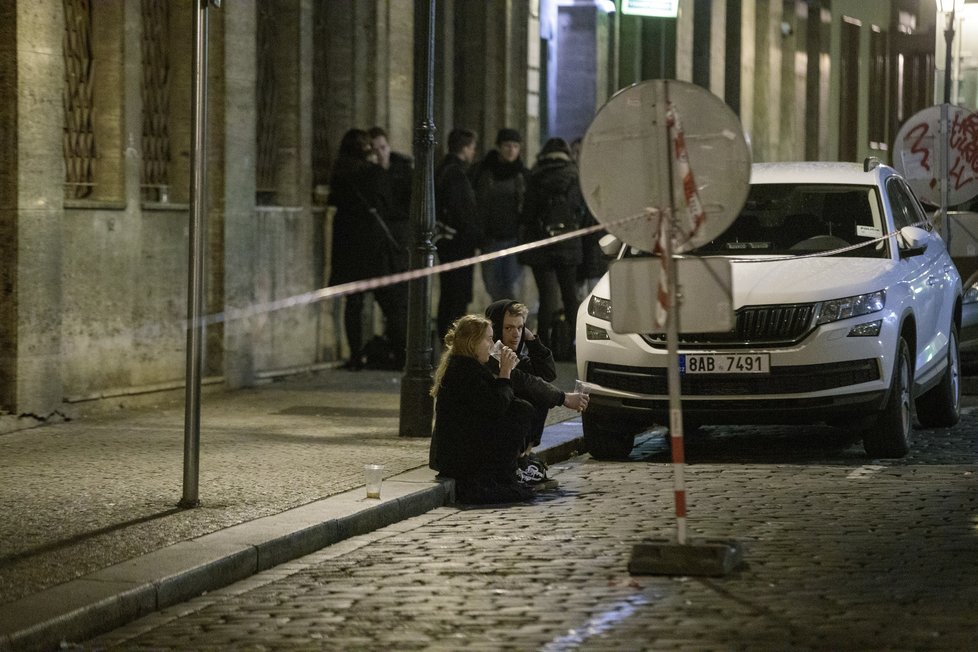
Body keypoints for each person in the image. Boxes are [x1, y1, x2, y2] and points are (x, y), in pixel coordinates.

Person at [428, 314, 536, 504]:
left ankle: (505, 475)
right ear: (472, 342)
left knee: (521, 407)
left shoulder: (468, 367)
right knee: (520, 411)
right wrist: (505, 374)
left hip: (464, 450)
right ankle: (502, 476)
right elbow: (496, 406)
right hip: (461, 458)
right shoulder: (464, 371)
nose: (493, 344)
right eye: (488, 339)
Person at [327, 128, 407, 370]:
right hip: (375, 249)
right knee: (391, 303)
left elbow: (333, 202)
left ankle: (355, 357)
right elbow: (388, 205)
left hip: (348, 250)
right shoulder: (375, 174)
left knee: (354, 304)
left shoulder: (340, 174)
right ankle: (401, 355)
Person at [484, 299, 589, 483]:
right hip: (487, 434)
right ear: (496, 328)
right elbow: (526, 382)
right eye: (508, 328)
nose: (515, 334)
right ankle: (515, 460)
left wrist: (531, 339)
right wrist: (564, 398)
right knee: (531, 398)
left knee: (540, 394)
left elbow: (547, 374)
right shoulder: (491, 354)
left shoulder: (515, 353)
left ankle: (523, 456)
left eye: (519, 327)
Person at [519, 137, 586, 359]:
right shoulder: (574, 174)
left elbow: (527, 212)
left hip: (542, 244)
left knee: (547, 297)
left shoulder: (535, 174)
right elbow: (580, 208)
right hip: (568, 242)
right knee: (569, 296)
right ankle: (574, 345)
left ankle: (543, 345)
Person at [470, 128, 528, 302]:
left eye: (515, 146)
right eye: (507, 145)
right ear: (499, 147)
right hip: (490, 239)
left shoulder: (522, 175)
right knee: (493, 287)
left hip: (514, 239)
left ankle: (511, 326)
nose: (511, 150)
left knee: (511, 287)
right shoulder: (484, 172)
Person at [435, 128, 482, 339]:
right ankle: (453, 342)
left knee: (450, 294)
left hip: (450, 242)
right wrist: (474, 235)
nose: (474, 153)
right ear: (464, 148)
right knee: (456, 296)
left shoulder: (445, 169)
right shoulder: (456, 174)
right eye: (472, 148)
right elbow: (462, 212)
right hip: (458, 244)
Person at [570, 136, 608, 296]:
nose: (579, 155)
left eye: (582, 151)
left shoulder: (599, 177)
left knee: (595, 286)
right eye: (576, 152)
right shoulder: (569, 177)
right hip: (575, 242)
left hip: (594, 241)